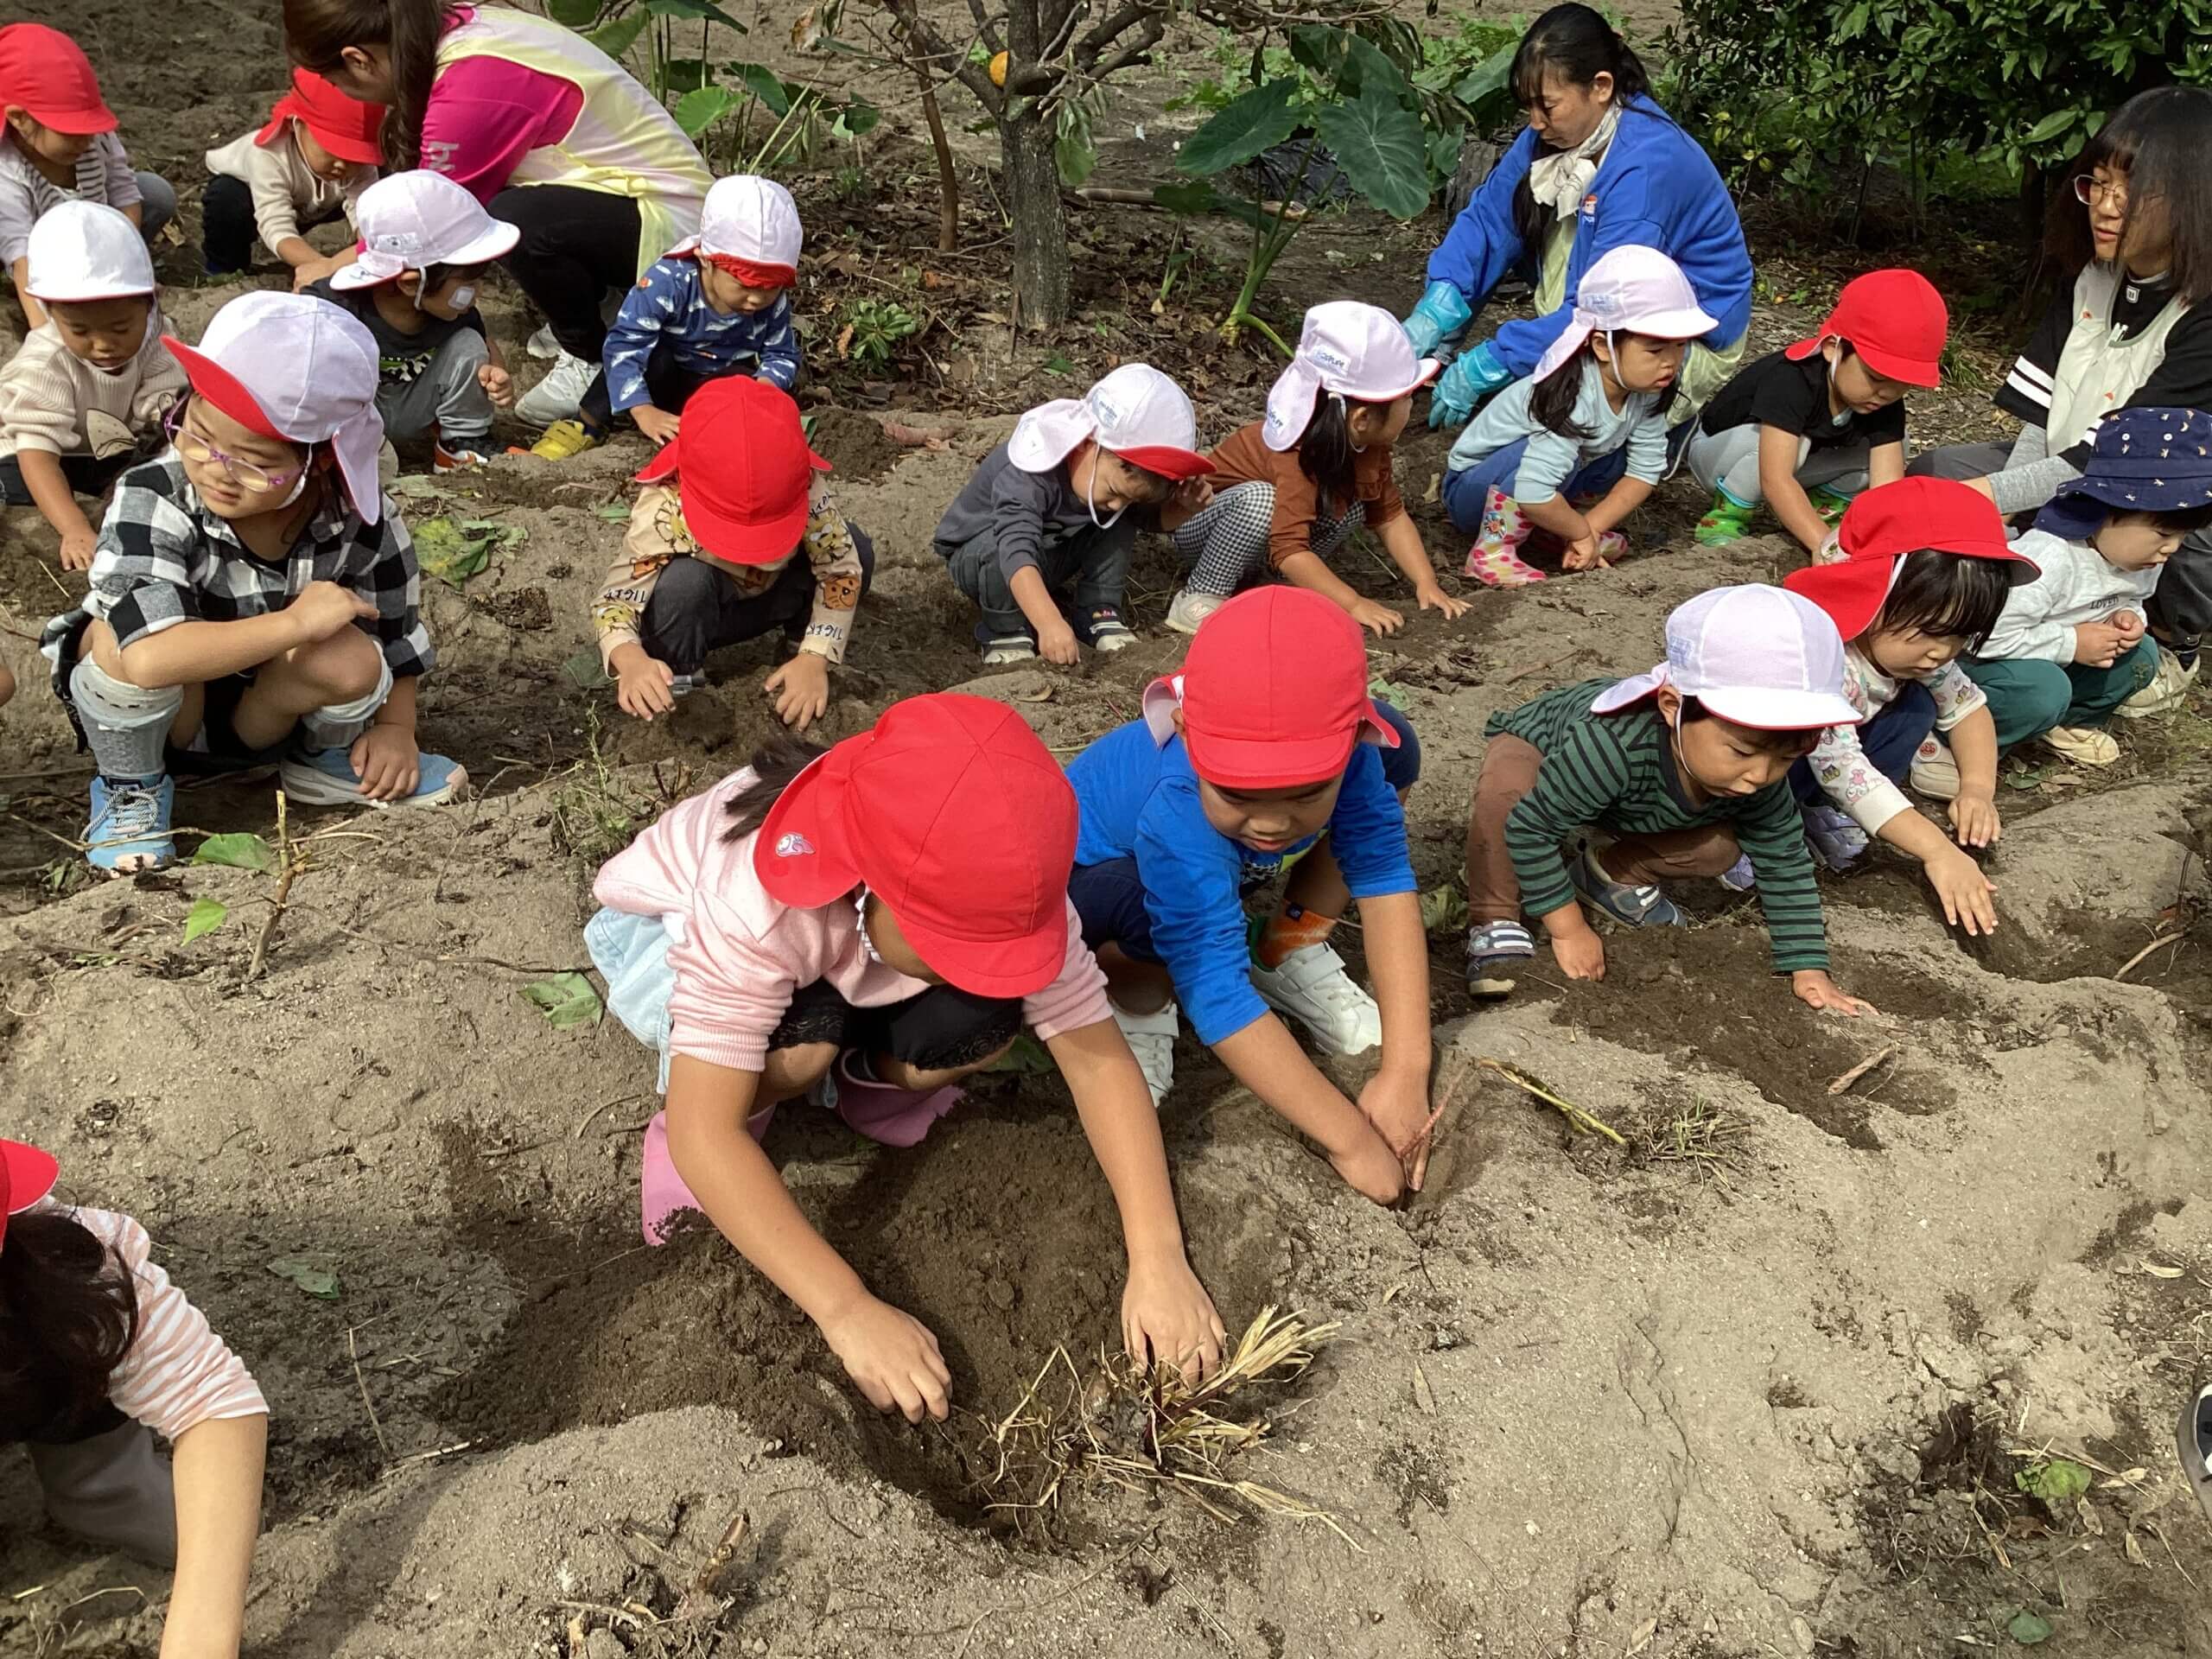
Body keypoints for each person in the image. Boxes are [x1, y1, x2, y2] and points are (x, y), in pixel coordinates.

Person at [586, 693, 1227, 1421]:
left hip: (854, 953)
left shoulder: (1008, 879)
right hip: (664, 938)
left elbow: (1096, 1058)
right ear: (871, 886)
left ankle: (865, 1086)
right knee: (797, 1051)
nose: (977, 965)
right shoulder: (755, 905)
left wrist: (1158, 1256)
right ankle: (779, 1088)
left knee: (989, 1015)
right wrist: (847, 1310)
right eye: (958, 949)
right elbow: (710, 1132)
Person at [39, 290, 467, 876]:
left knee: (353, 655)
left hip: (265, 716)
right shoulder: (155, 494)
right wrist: (293, 624)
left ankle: (326, 761)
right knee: (115, 638)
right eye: (197, 434)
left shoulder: (359, 521)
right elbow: (146, 659)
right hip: (165, 717)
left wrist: (396, 729)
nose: (217, 468)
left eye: (254, 461)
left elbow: (397, 635)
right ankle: (131, 789)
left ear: (319, 461)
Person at [1065, 587, 1437, 1205]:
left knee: (1399, 754)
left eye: (1303, 792)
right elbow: (1213, 987)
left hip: (1208, 853)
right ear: (1184, 731)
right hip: (1100, 874)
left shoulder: (1355, 754)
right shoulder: (1178, 808)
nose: (1271, 822)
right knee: (1150, 922)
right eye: (1238, 794)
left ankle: (1287, 947)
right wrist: (1349, 1138)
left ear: (1349, 740)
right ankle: (1134, 1002)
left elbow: (1384, 876)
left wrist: (1406, 1069)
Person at [1910, 87, 2212, 717]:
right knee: (1939, 473)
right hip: (2067, 466)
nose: (2104, 207)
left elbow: (2120, 462)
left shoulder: (2202, 317)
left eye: (2128, 194)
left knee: (2180, 535)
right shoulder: (2093, 279)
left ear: (2192, 201)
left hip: (2149, 488)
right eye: (2096, 185)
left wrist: (1991, 502)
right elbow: (2041, 414)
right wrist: (2009, 513)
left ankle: (2173, 644)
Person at [283, 0, 713, 429]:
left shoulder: (470, 90)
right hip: (618, 193)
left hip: (668, 222)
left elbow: (428, 219)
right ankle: (603, 304)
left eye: (332, 80)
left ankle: (589, 352)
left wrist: (328, 269)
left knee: (511, 221)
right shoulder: (452, 27)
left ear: (357, 60)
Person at [1460, 583, 1872, 1011]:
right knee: (1505, 799)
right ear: (1674, 706)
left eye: (1787, 758)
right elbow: (1530, 828)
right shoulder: (1611, 747)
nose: (1759, 775)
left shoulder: (1756, 776)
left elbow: (1784, 859)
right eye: (1742, 751)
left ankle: (1608, 876)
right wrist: (1569, 930)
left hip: (1627, 798)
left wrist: (1808, 968)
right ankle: (1495, 920)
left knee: (1719, 849)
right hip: (1542, 746)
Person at [1405, 3, 1750, 435]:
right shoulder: (1558, 132)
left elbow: (1600, 311)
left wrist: (1490, 363)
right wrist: (1441, 304)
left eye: (1547, 106)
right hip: (1603, 305)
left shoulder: (1646, 170)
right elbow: (1490, 221)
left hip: (1677, 336)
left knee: (1558, 429)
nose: (1535, 123)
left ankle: (1663, 430)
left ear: (1601, 87)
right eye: (1528, 106)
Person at [1, 1136, 268, 1659]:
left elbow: (211, 1400)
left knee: (195, 1528)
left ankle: (95, 1485)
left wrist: (201, 1641)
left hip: (27, 1352)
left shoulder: (62, 1259)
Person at [1779, 477, 2034, 938]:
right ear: (1873, 596)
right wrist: (1938, 850)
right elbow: (1843, 769)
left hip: (1828, 764)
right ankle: (1765, 830)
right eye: (1933, 631)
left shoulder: (1921, 658)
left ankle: (1815, 815)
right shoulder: (1825, 661)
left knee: (1919, 706)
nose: (1944, 651)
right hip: (1767, 766)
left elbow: (1968, 709)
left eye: (1961, 635)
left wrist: (1976, 789)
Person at [1166, 302, 1470, 637]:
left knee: (1356, 502)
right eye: (1407, 398)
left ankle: (1279, 586)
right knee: (1260, 500)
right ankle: (1202, 593)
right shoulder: (1296, 450)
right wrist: (1353, 603)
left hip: (1272, 541)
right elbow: (1289, 547)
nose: (1412, 405)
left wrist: (1427, 583)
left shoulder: (1369, 446)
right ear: (1363, 418)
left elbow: (1390, 516)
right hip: (1206, 529)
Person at [594, 376, 871, 732]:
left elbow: (839, 571)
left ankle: (797, 656)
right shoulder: (664, 507)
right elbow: (615, 600)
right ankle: (679, 680)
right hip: (701, 611)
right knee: (682, 584)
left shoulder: (806, 485)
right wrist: (630, 660)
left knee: (856, 548)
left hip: (773, 596)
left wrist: (815, 655)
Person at [1442, 244, 1715, 586]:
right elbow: (1533, 492)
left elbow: (1645, 471)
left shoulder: (1645, 391)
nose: (1671, 362)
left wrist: (1590, 529)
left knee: (1615, 460)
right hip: (1472, 493)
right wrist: (1583, 533)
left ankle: (1554, 530)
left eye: (1680, 346)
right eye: (1656, 349)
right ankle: (1492, 551)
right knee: (1564, 460)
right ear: (1602, 346)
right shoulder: (1570, 397)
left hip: (1540, 486)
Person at [1967, 408, 2212, 766]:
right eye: (2163, 534)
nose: (2172, 548)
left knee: (2142, 655)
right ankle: (1961, 742)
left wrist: (2128, 617)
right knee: (2042, 690)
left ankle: (2065, 723)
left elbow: (2132, 598)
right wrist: (2072, 643)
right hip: (1989, 664)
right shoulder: (2048, 561)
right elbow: (1980, 639)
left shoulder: (2140, 559)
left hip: (2051, 657)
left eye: (2182, 537)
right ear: (2108, 509)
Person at [935, 362, 1214, 664]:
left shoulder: (1106, 489)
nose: (1117, 503)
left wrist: (1183, 510)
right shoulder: (1029, 471)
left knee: (1118, 519)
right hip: (981, 560)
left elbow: (1144, 520)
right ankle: (1005, 629)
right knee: (996, 546)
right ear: (1085, 444)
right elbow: (1015, 549)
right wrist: (1049, 623)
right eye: (1114, 491)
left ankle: (1099, 610)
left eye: (1127, 498)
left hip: (1046, 556)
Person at [533, 173, 804, 461]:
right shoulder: (669, 282)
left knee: (742, 382)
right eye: (744, 286)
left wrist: (763, 389)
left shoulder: (773, 303)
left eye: (770, 287)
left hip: (713, 386)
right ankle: (587, 424)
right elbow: (626, 344)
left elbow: (781, 354)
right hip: (662, 373)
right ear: (705, 260)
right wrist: (643, 410)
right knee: (649, 356)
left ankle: (711, 431)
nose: (757, 299)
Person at [1689, 268, 1947, 550]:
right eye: (1875, 377)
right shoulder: (1792, 378)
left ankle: (1819, 512)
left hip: (1790, 465)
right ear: (1832, 348)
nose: (1887, 393)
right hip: (1719, 457)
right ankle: (1725, 517)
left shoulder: (1884, 398)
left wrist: (1887, 546)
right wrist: (1823, 546)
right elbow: (1775, 477)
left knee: (1896, 446)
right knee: (1795, 446)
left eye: (1903, 385)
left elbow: (1886, 489)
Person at [0, 201, 185, 573]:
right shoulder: (46, 362)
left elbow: (168, 414)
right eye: (80, 331)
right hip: (36, 453)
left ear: (151, 304)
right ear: (50, 312)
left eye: (120, 329)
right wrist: (74, 528)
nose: (102, 344)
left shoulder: (158, 336)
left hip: (109, 445)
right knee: (15, 484)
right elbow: (36, 454)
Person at [308, 168, 517, 470]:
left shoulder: (453, 312)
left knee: (469, 344)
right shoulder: (336, 309)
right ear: (409, 283)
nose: (478, 292)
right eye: (468, 280)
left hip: (412, 405)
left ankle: (462, 441)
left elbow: (482, 343)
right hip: (357, 416)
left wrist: (496, 370)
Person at [0, 23, 176, 330]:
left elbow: (124, 193)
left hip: (94, 231)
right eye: (71, 132)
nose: (85, 141)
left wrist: (121, 261)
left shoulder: (96, 139)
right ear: (19, 118)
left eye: (90, 128)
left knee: (156, 193)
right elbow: (21, 253)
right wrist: (45, 334)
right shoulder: (8, 171)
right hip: (38, 254)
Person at [201, 67, 384, 283]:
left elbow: (366, 214)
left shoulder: (357, 166)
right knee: (227, 199)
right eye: (332, 150)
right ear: (297, 126)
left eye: (355, 155)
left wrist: (365, 257)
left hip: (314, 204)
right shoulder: (269, 155)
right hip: (255, 201)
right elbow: (275, 225)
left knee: (385, 188)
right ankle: (224, 270)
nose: (342, 164)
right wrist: (323, 267)